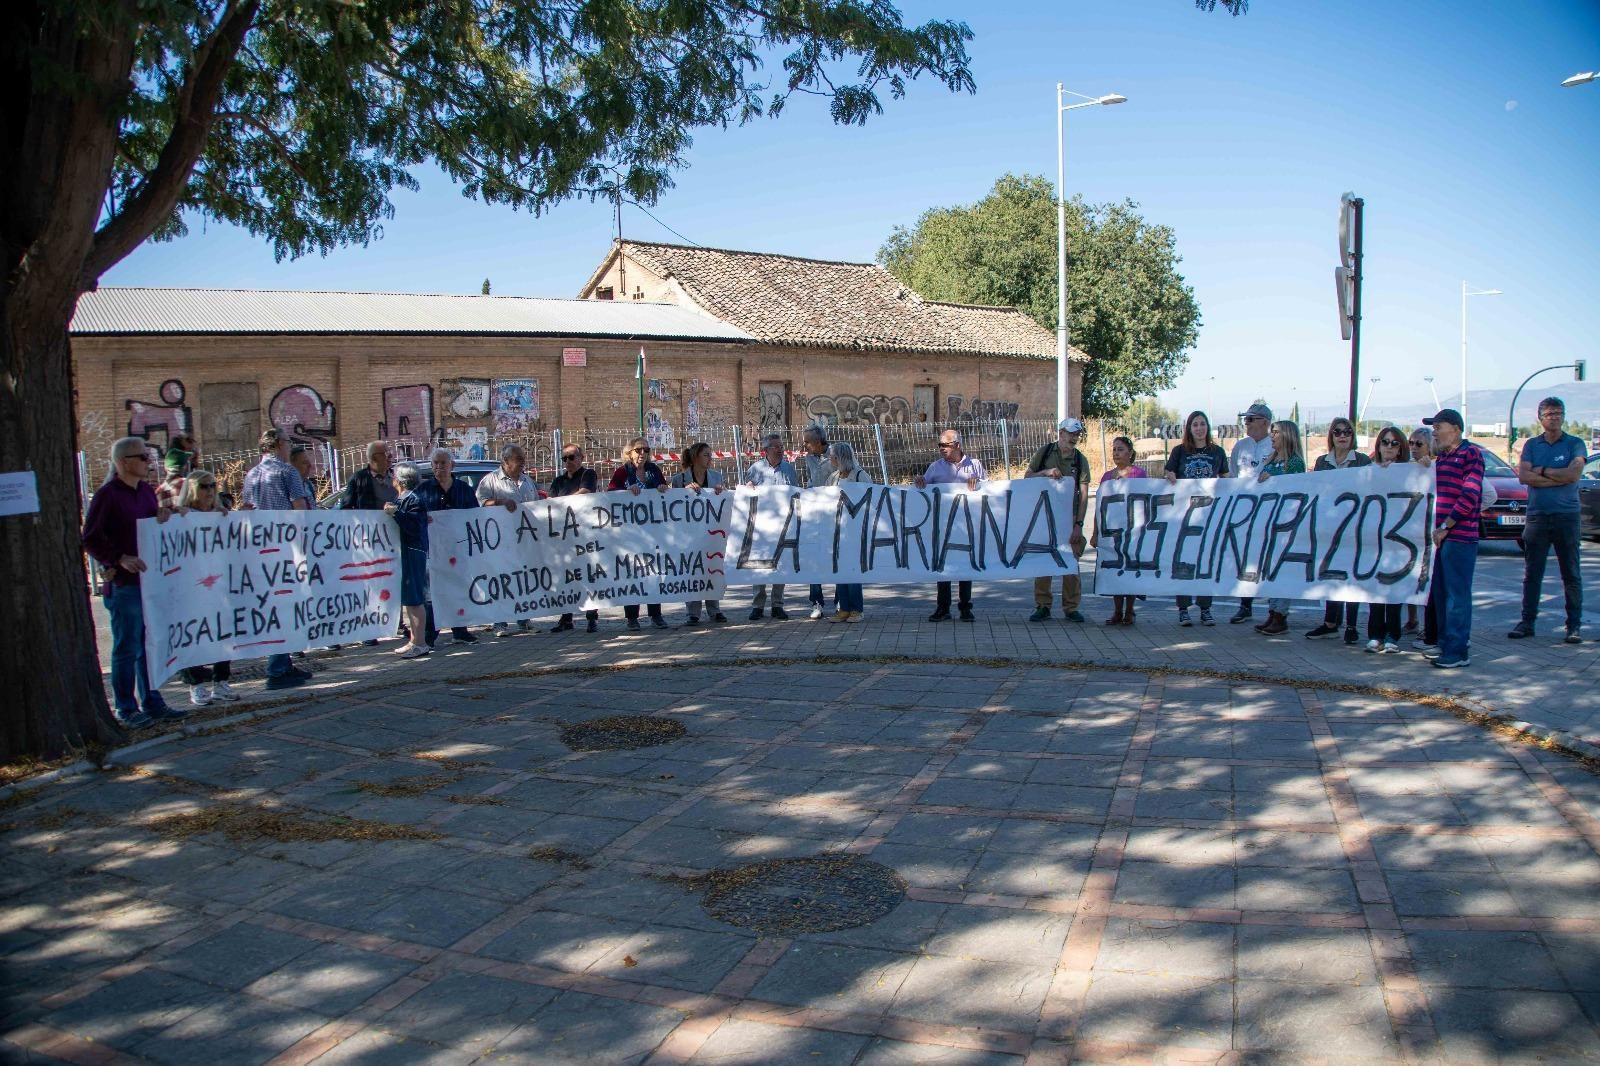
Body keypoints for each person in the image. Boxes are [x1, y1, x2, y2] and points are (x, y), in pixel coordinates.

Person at [81, 437, 186, 727]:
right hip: (125, 584)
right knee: (127, 647)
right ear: (124, 462)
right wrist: (117, 559)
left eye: (148, 457)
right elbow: (90, 537)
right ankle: (126, 708)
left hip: (149, 583)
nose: (148, 462)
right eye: (142, 457)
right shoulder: (108, 495)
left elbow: (150, 524)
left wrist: (167, 515)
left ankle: (152, 702)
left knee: (148, 645)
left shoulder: (145, 493)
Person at [241, 429, 313, 689]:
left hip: (262, 551)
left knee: (276, 606)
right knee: (287, 607)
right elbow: (300, 510)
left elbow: (247, 512)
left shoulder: (251, 476)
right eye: (288, 441)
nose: (289, 445)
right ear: (277, 444)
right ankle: (277, 668)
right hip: (287, 550)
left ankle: (284, 663)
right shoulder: (287, 472)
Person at [1512, 396, 1586, 644]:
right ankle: (1527, 622)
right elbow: (1523, 476)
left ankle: (1573, 625)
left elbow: (1574, 474)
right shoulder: (1532, 445)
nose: (1555, 418)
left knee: (1571, 574)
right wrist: (1558, 476)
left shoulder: (1575, 444)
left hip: (1567, 516)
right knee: (1533, 573)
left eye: (1559, 413)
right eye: (1550, 414)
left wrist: (1541, 471)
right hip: (1537, 517)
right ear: (1540, 418)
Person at [1422, 409, 1485, 669]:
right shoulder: (1442, 459)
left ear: (1456, 429)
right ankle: (1447, 642)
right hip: (1440, 537)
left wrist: (1447, 525)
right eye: (1433, 427)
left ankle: (1458, 650)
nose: (1434, 432)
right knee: (1441, 593)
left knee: (1456, 595)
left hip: (1458, 536)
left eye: (1439, 426)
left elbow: (1470, 495)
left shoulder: (1471, 454)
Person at [172, 472, 242, 704]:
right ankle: (196, 684)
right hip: (192, 586)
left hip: (219, 585)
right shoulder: (182, 517)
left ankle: (221, 682)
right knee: (194, 633)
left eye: (213, 485)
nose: (210, 490)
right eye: (204, 486)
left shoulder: (220, 516)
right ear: (192, 490)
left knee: (222, 633)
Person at [1304, 416, 1372, 644]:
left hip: (1354, 528)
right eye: (1338, 432)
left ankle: (1351, 626)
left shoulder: (1362, 461)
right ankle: (1330, 622)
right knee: (1331, 575)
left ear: (1353, 436)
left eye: (1347, 432)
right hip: (1329, 528)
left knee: (1350, 576)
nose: (1342, 436)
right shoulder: (1323, 462)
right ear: (1331, 436)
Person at [1163, 411, 1229, 626]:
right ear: (1189, 429)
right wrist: (1170, 475)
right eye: (1195, 425)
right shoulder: (1179, 451)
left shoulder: (1217, 452)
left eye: (1203, 424)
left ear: (1207, 427)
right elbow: (1168, 473)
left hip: (1208, 516)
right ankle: (1183, 608)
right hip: (1184, 516)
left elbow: (1226, 480)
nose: (1199, 428)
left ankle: (1205, 608)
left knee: (1204, 561)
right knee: (1183, 561)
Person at [1025, 418, 1091, 623]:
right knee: (1044, 561)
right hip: (1045, 519)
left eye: (1077, 434)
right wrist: (1045, 473)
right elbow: (1027, 478)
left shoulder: (1081, 460)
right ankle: (1042, 606)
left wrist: (1079, 525)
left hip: (1069, 520)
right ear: (1060, 433)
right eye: (1070, 433)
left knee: (1071, 563)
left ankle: (1071, 607)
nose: (1074, 438)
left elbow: (1083, 495)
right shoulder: (1044, 453)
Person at [916, 430, 986, 621]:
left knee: (965, 566)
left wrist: (978, 483)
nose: (941, 449)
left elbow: (989, 492)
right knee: (943, 566)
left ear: (956, 445)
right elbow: (923, 489)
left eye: (944, 445)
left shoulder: (975, 465)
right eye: (939, 445)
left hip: (967, 525)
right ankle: (943, 608)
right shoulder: (935, 467)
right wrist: (920, 482)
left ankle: (965, 607)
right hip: (942, 526)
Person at [416, 448, 482, 646]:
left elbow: (475, 516)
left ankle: (460, 631)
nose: (439, 467)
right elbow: (413, 515)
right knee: (433, 593)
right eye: (435, 463)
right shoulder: (423, 491)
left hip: (459, 550)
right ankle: (430, 634)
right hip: (433, 551)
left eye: (443, 463)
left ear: (451, 465)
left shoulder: (464, 489)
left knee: (458, 588)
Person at [475, 443, 542, 636]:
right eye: (518, 459)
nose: (523, 463)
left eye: (523, 458)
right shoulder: (491, 480)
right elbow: (480, 503)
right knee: (500, 579)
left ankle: (524, 619)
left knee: (523, 578)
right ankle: (500, 622)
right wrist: (501, 503)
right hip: (500, 540)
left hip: (525, 539)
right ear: (506, 461)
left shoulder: (527, 481)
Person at [1252, 420, 1307, 635]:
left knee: (1282, 570)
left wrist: (1273, 480)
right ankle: (1272, 610)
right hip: (1269, 522)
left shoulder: (1294, 463)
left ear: (1286, 435)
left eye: (1275, 432)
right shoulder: (1270, 460)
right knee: (1270, 569)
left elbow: (1294, 486)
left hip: (1286, 523)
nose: (1272, 436)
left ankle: (1281, 615)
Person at [609, 438, 669, 630]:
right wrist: (625, 491)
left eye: (645, 449)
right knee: (632, 574)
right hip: (630, 533)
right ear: (630, 452)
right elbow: (611, 493)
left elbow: (664, 489)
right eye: (638, 450)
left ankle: (656, 614)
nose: (642, 453)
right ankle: (632, 617)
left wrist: (661, 488)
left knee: (653, 572)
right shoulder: (622, 472)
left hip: (652, 532)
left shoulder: (653, 470)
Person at [1091, 435, 1147, 625]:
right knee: (1115, 570)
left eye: (1120, 449)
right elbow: (1100, 506)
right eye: (1114, 449)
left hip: (1133, 530)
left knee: (1130, 570)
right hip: (1112, 531)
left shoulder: (1139, 474)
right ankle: (1117, 611)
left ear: (1130, 453)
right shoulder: (1107, 477)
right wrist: (1095, 532)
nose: (1116, 453)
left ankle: (1130, 611)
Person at [742, 434, 798, 621]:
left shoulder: (789, 470)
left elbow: (796, 494)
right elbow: (747, 495)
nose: (780, 449)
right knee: (759, 565)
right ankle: (757, 606)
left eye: (782, 446)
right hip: (761, 527)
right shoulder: (755, 469)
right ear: (766, 450)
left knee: (779, 565)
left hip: (783, 526)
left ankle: (777, 605)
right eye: (776, 447)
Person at [1363, 426, 1409, 652]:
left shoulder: (1409, 471)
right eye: (1385, 442)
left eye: (1394, 443)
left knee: (1394, 589)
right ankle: (1375, 634)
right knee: (1375, 587)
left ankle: (1393, 635)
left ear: (1401, 448)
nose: (1389, 447)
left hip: (1399, 539)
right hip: (1374, 537)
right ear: (1378, 445)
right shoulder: (1368, 471)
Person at [1229, 403, 1276, 624]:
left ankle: (1274, 611)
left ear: (1265, 422)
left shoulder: (1276, 446)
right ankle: (1245, 604)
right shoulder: (1240, 447)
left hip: (1269, 511)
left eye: (1250, 419)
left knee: (1269, 557)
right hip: (1244, 511)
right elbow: (1231, 477)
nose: (1246, 423)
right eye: (1245, 420)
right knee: (1245, 557)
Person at [673, 442, 728, 626]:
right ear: (696, 457)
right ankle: (693, 613)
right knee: (693, 569)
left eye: (710, 455)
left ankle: (715, 610)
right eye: (706, 455)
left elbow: (724, 500)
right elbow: (672, 503)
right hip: (689, 533)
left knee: (712, 566)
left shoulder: (716, 476)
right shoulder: (680, 479)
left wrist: (721, 492)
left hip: (711, 531)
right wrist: (684, 492)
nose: (710, 458)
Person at [549, 444, 601, 633]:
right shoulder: (558, 481)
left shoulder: (588, 474)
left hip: (585, 534)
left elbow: (585, 493)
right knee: (566, 576)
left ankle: (591, 617)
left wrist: (562, 502)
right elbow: (550, 501)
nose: (568, 462)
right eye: (565, 458)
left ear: (581, 457)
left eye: (572, 457)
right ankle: (566, 618)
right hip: (564, 536)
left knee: (588, 575)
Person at [385, 463, 432, 659]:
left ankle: (420, 643)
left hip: (413, 551)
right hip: (406, 551)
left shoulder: (412, 500)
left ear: (400, 481)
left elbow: (412, 527)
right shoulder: (403, 499)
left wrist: (396, 513)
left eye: (394, 476)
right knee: (409, 599)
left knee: (414, 598)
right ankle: (414, 639)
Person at [825, 441, 874, 623]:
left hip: (855, 531)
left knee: (853, 570)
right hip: (837, 531)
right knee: (840, 570)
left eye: (833, 456)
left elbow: (870, 500)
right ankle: (843, 608)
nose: (830, 459)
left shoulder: (860, 476)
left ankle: (856, 609)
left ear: (840, 458)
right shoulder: (833, 478)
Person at [799, 425, 832, 619]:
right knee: (814, 559)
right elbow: (809, 481)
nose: (805, 446)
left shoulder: (836, 455)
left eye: (808, 442)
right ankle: (817, 603)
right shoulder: (808, 458)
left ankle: (840, 602)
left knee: (837, 559)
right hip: (815, 514)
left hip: (834, 514)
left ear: (819, 442)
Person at [1404, 428, 1434, 636]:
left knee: (1427, 579)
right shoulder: (1404, 468)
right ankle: (1412, 620)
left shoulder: (1438, 468)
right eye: (1411, 443)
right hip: (1409, 532)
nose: (1413, 448)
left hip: (1432, 532)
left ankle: (1430, 626)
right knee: (1408, 577)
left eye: (1419, 444)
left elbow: (1488, 495)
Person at [341, 440, 396, 511]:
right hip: (370, 521)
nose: (390, 456)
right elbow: (346, 508)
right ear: (374, 458)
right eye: (386, 453)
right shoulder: (359, 478)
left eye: (390, 452)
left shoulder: (397, 476)